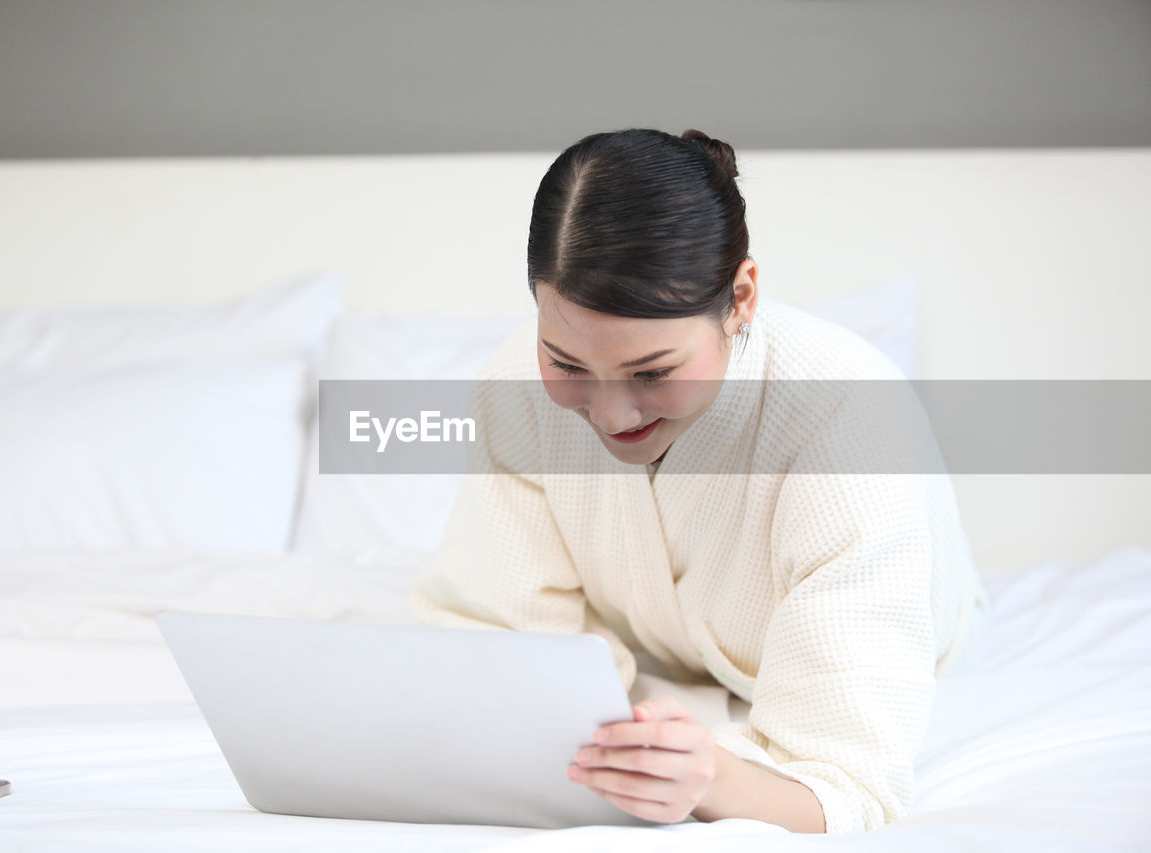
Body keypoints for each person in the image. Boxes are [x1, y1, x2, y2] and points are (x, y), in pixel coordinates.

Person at [408, 128, 990, 834]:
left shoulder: (847, 414)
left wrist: (712, 776)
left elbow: (849, 788)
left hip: (885, 642)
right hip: (665, 665)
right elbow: (505, 643)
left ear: (741, 297)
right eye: (565, 363)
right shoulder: (514, 386)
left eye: (652, 372)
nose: (611, 413)